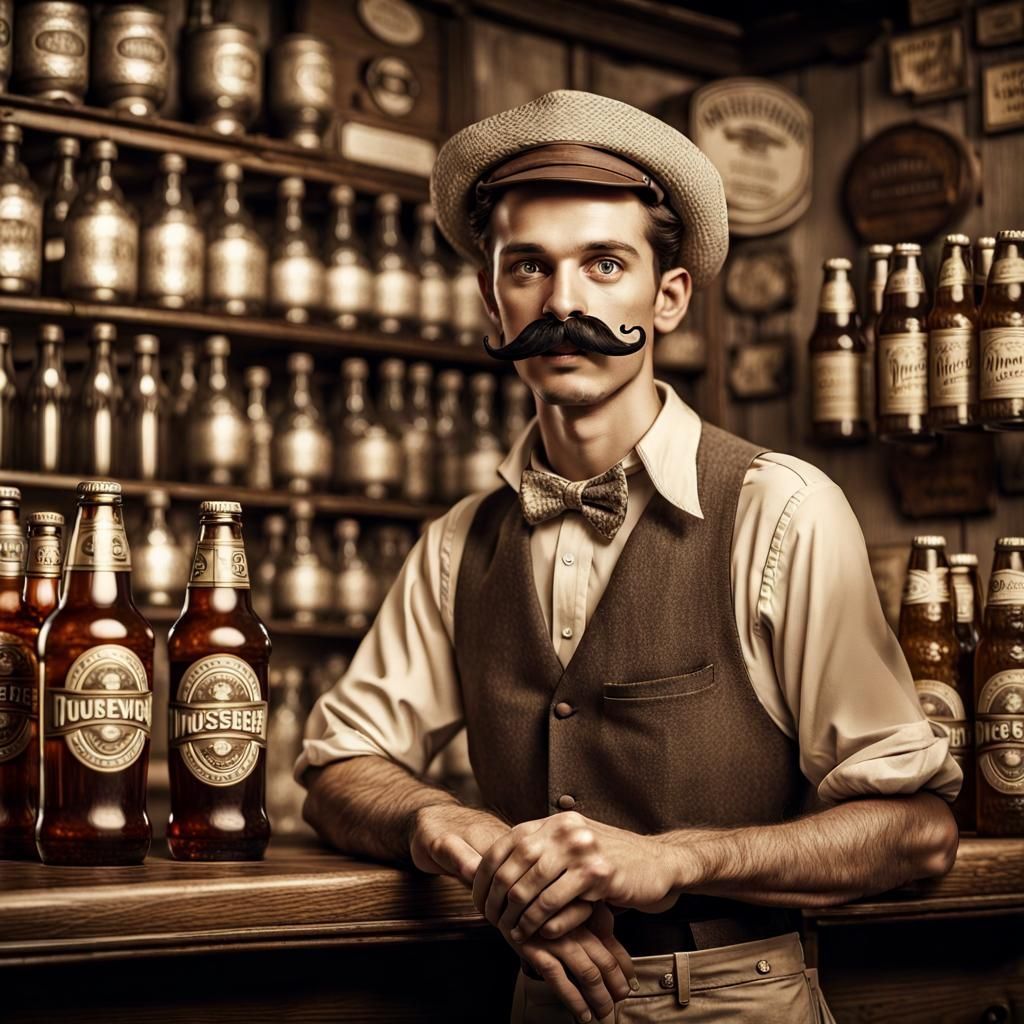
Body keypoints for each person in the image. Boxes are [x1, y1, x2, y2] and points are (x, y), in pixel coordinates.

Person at [296, 90, 961, 1024]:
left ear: (669, 296)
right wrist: (450, 828)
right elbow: (336, 771)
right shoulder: (460, 541)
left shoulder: (782, 510)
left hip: (739, 1001)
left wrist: (677, 858)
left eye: (604, 264)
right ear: (492, 305)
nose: (564, 302)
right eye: (528, 267)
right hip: (536, 1000)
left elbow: (918, 830)